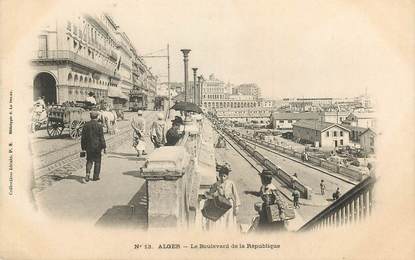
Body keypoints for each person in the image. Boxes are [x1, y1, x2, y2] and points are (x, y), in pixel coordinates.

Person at [205, 164, 240, 231]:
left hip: (229, 205)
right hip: (220, 205)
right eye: (221, 176)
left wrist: (237, 206)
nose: (222, 178)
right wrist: (211, 194)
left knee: (228, 221)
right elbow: (211, 193)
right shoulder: (216, 184)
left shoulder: (231, 183)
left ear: (227, 176)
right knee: (220, 220)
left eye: (224, 176)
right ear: (219, 176)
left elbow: (235, 195)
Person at [81, 111, 106, 182]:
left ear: (90, 117)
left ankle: (87, 174)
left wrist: (83, 148)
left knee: (89, 161)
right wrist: (104, 147)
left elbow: (83, 138)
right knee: (97, 161)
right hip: (98, 147)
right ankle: (95, 177)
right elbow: (101, 138)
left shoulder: (86, 125)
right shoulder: (99, 126)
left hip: (89, 147)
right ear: (97, 117)